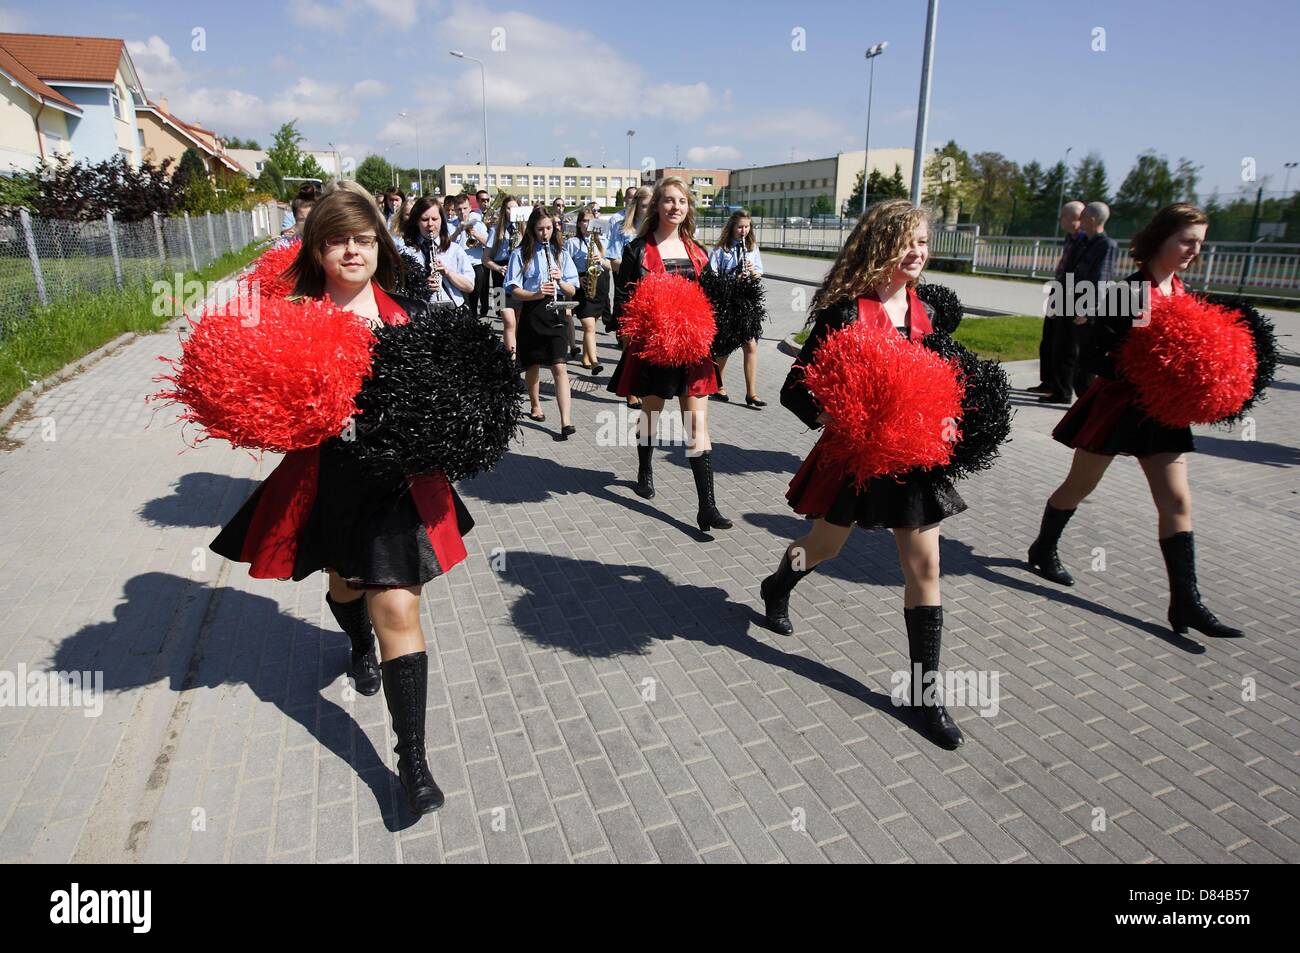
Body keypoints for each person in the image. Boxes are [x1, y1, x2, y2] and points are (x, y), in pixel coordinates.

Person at [211, 189, 477, 815]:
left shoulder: (412, 315)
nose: (351, 250)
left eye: (362, 238)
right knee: (344, 587)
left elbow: (448, 399)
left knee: (398, 608)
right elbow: (266, 406)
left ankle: (412, 761)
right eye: (337, 239)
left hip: (399, 489)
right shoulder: (292, 316)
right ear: (318, 249)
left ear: (380, 245)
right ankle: (356, 644)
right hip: (327, 483)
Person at [759, 198, 965, 750]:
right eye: (909, 241)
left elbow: (944, 380)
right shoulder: (844, 311)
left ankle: (924, 694)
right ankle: (778, 584)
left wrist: (945, 419)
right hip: (854, 456)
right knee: (824, 546)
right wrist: (837, 414)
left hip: (913, 459)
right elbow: (795, 387)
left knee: (924, 566)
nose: (919, 251)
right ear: (881, 245)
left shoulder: (928, 312)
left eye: (924, 241)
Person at [1028, 203, 1243, 639]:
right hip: (1118, 409)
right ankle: (1043, 548)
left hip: (1162, 414)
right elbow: (1089, 357)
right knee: (1079, 489)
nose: (1193, 250)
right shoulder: (1129, 293)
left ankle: (1185, 601)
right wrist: (1140, 371)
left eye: (1199, 243)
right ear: (1160, 238)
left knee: (1177, 502)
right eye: (1186, 240)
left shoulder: (1181, 293)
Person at [607, 176, 731, 533]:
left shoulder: (698, 251)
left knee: (697, 427)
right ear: (656, 206)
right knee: (651, 414)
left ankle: (707, 507)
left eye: (682, 201)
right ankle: (645, 468)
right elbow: (626, 301)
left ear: (688, 207)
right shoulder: (636, 250)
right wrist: (631, 337)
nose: (675, 207)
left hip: (692, 350)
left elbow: (709, 301)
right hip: (655, 349)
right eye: (669, 201)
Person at [507, 206, 580, 439]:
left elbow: (572, 290)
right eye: (540, 229)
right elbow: (514, 290)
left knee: (559, 365)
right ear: (531, 229)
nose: (545, 233)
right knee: (533, 364)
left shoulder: (561, 252)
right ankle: (535, 403)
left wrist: (560, 280)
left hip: (556, 312)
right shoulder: (520, 254)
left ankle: (566, 421)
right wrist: (536, 293)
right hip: (533, 312)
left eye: (549, 228)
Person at [709, 209, 767, 406]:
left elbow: (759, 273)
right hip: (727, 301)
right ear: (732, 227)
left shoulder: (751, 248)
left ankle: (751, 393)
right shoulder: (720, 250)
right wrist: (731, 278)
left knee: (750, 344)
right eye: (740, 226)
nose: (744, 230)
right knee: (724, 348)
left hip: (746, 302)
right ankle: (718, 385)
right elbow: (713, 276)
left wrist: (751, 272)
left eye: (747, 226)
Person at [1029, 201, 1084, 395]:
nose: (1060, 219)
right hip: (1059, 287)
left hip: (1071, 292)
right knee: (1049, 338)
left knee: (1064, 343)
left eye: (1063, 216)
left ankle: (1061, 386)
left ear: (1075, 218)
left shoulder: (1084, 240)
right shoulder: (1070, 238)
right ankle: (1048, 381)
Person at [607, 185, 653, 409]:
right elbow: (613, 260)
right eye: (645, 206)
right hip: (629, 290)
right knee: (630, 344)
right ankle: (631, 390)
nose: (648, 210)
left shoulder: (658, 230)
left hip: (653, 295)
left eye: (651, 206)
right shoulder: (623, 229)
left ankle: (645, 384)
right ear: (637, 206)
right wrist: (635, 266)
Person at [397, 196, 477, 306]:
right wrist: (421, 286)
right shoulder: (406, 252)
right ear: (416, 221)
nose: (430, 224)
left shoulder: (454, 249)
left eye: (435, 219)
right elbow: (398, 289)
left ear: (441, 220)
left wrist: (448, 273)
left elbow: (469, 286)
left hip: (453, 311)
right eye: (424, 220)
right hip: (420, 312)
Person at [565, 205, 611, 374]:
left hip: (600, 285)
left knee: (590, 327)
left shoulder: (604, 241)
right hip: (583, 285)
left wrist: (601, 259)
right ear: (578, 224)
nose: (587, 224)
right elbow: (564, 267)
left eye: (590, 220)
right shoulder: (572, 243)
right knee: (589, 327)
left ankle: (585, 358)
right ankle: (594, 362)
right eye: (584, 221)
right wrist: (578, 278)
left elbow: (611, 266)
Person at [483, 196, 522, 366]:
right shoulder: (495, 231)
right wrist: (498, 268)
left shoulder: (524, 229)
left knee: (519, 320)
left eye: (514, 208)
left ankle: (518, 352)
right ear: (503, 210)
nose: (511, 212)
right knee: (507, 320)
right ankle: (511, 359)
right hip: (499, 276)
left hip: (519, 277)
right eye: (508, 208)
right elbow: (485, 259)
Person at [447, 194, 490, 315]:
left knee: (475, 296)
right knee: (464, 300)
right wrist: (457, 231)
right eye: (459, 209)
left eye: (465, 208)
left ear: (470, 208)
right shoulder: (450, 225)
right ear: (455, 210)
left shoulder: (477, 223)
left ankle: (474, 318)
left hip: (476, 264)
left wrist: (475, 234)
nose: (462, 212)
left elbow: (488, 243)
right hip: (458, 267)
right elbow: (445, 244)